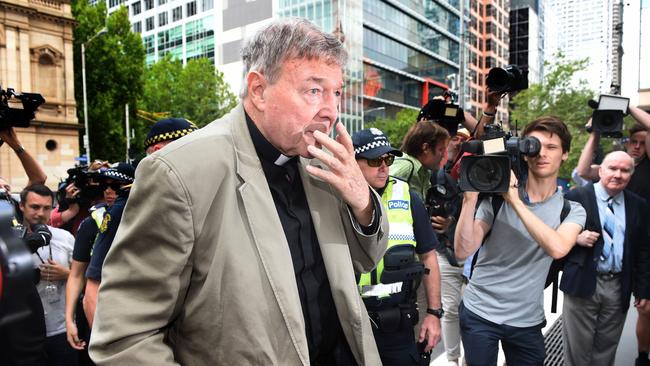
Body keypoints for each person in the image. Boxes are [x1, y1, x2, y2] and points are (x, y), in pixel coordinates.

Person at [88, 18, 388, 365]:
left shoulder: (322, 162)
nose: (332, 112)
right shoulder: (179, 174)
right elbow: (125, 337)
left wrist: (362, 201)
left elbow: (367, 258)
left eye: (336, 92)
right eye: (314, 91)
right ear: (259, 90)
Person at [454, 116, 586, 365]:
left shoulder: (571, 210)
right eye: (534, 146)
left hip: (527, 320)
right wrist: (469, 199)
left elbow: (557, 248)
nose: (542, 154)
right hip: (480, 312)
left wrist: (514, 200)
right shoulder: (494, 199)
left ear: (565, 154)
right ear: (524, 153)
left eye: (552, 147)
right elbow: (462, 252)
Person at [352, 128, 442, 365]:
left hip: (397, 323)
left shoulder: (409, 197)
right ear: (353, 162)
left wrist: (434, 314)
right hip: (351, 322)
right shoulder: (335, 199)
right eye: (374, 160)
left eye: (388, 159)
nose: (383, 166)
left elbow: (429, 256)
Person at [561, 151, 650, 365]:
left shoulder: (638, 205)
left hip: (618, 286)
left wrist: (643, 289)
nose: (618, 174)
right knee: (576, 352)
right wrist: (575, 237)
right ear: (600, 170)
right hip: (582, 283)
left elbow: (644, 250)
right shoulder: (577, 197)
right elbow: (553, 236)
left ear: (631, 174)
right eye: (612, 168)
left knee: (606, 351)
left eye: (625, 170)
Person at [23, 184, 76, 366]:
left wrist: (67, 274)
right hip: (26, 335)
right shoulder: (11, 243)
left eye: (47, 208)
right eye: (34, 207)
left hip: (63, 329)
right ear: (22, 206)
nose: (40, 213)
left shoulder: (65, 237)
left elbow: (86, 279)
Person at [82, 162, 135, 327]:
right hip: (116, 310)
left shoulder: (126, 210)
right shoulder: (111, 214)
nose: (108, 191)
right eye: (105, 185)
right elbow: (92, 285)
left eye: (116, 186)